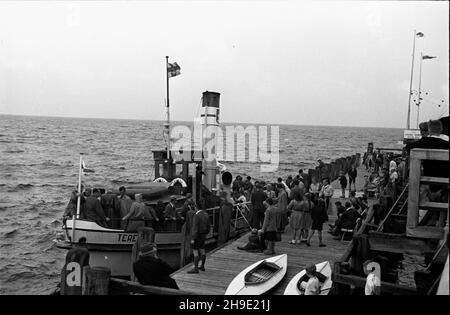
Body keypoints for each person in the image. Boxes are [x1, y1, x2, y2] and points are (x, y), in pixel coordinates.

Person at [187, 207, 211, 274]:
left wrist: (192, 238)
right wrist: (205, 233)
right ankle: (202, 266)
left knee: (195, 251)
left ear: (196, 207)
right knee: (202, 250)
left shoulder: (196, 215)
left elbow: (195, 228)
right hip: (203, 235)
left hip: (197, 236)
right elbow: (208, 227)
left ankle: (196, 268)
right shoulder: (206, 214)